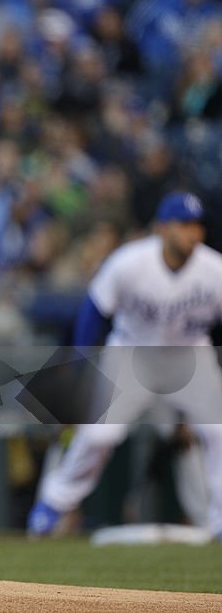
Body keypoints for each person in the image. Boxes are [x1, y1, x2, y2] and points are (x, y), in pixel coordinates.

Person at [28, 192, 222, 540]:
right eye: (184, 225)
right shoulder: (129, 263)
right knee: (101, 435)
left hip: (190, 356)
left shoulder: (213, 270)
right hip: (133, 358)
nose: (194, 233)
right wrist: (80, 364)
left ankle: (221, 521)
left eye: (197, 226)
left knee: (218, 431)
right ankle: (52, 505)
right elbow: (93, 312)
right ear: (163, 228)